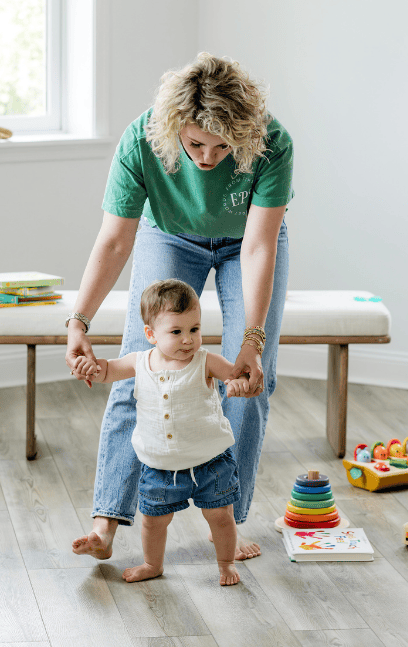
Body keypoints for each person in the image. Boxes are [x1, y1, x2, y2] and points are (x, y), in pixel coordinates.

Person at [67, 51, 294, 563]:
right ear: (174, 128)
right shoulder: (142, 138)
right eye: (195, 144)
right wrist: (78, 321)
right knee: (136, 366)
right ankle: (105, 524)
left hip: (246, 244)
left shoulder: (273, 142)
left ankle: (228, 529)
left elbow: (260, 245)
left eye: (223, 147)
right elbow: (114, 241)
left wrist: (252, 344)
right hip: (170, 235)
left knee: (250, 377)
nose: (208, 158)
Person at [74, 279, 254, 585]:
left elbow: (237, 376)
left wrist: (239, 384)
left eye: (194, 330)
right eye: (176, 332)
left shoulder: (205, 362)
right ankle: (152, 564)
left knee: (221, 517)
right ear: (150, 334)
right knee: (153, 523)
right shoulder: (139, 362)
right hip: (159, 466)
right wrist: (89, 366)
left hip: (211, 462)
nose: (188, 340)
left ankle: (225, 563)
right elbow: (107, 370)